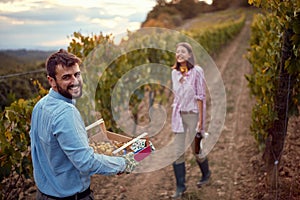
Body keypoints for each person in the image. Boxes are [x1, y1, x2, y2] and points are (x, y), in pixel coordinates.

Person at [30, 49, 137, 200]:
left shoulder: (40, 106)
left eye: (77, 74)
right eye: (66, 77)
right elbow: (86, 162)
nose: (75, 81)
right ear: (52, 81)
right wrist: (124, 163)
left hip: (43, 195)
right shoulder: (66, 112)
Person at [170, 42, 211, 198]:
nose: (179, 54)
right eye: (177, 51)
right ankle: (180, 187)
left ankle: (206, 174)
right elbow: (176, 95)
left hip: (193, 115)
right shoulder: (174, 73)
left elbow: (201, 96)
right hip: (179, 116)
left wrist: (201, 121)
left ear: (189, 55)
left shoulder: (197, 71)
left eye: (183, 51)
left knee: (196, 150)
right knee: (178, 152)